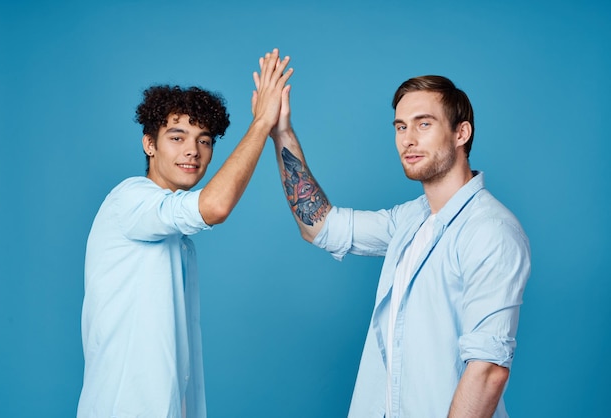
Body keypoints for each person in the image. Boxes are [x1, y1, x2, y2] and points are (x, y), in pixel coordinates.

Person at [266, 74, 531, 418]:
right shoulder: (408, 220)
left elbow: (488, 371)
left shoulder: (490, 231)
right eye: (401, 127)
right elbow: (319, 225)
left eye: (424, 124)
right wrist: (280, 131)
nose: (408, 139)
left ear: (461, 133)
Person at [77, 49, 292, 418]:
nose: (193, 151)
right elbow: (214, 207)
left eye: (204, 140)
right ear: (150, 144)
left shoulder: (179, 240)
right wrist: (261, 124)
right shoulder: (129, 200)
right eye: (177, 137)